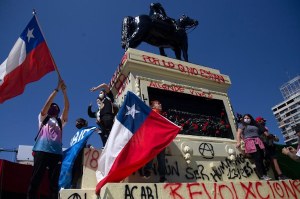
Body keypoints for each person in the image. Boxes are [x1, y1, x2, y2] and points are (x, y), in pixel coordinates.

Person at [27, 79, 69, 199]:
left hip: (56, 154)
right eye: (52, 106)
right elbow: (46, 104)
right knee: (36, 179)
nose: (53, 106)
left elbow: (67, 107)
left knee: (54, 184)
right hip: (41, 150)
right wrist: (56, 90)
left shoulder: (60, 122)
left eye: (55, 106)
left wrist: (64, 92)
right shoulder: (43, 118)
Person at [236, 114, 272, 180]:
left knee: (261, 157)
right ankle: (262, 175)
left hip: (258, 141)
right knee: (257, 157)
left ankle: (265, 174)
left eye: (248, 118)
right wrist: (238, 142)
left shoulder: (255, 125)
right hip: (249, 142)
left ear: (251, 118)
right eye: (245, 118)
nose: (247, 119)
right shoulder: (242, 125)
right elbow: (238, 134)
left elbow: (264, 131)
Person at [143, 100, 167, 183]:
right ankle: (149, 171)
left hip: (161, 140)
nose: (160, 104)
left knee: (161, 159)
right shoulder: (151, 114)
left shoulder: (162, 116)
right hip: (153, 139)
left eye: (160, 103)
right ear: (153, 106)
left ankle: (158, 175)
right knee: (152, 155)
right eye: (158, 103)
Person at [71, 118, 89, 188]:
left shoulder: (85, 131)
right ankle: (73, 183)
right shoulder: (78, 133)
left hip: (80, 152)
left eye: (78, 122)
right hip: (75, 153)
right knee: (74, 168)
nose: (76, 123)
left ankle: (74, 184)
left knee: (78, 168)